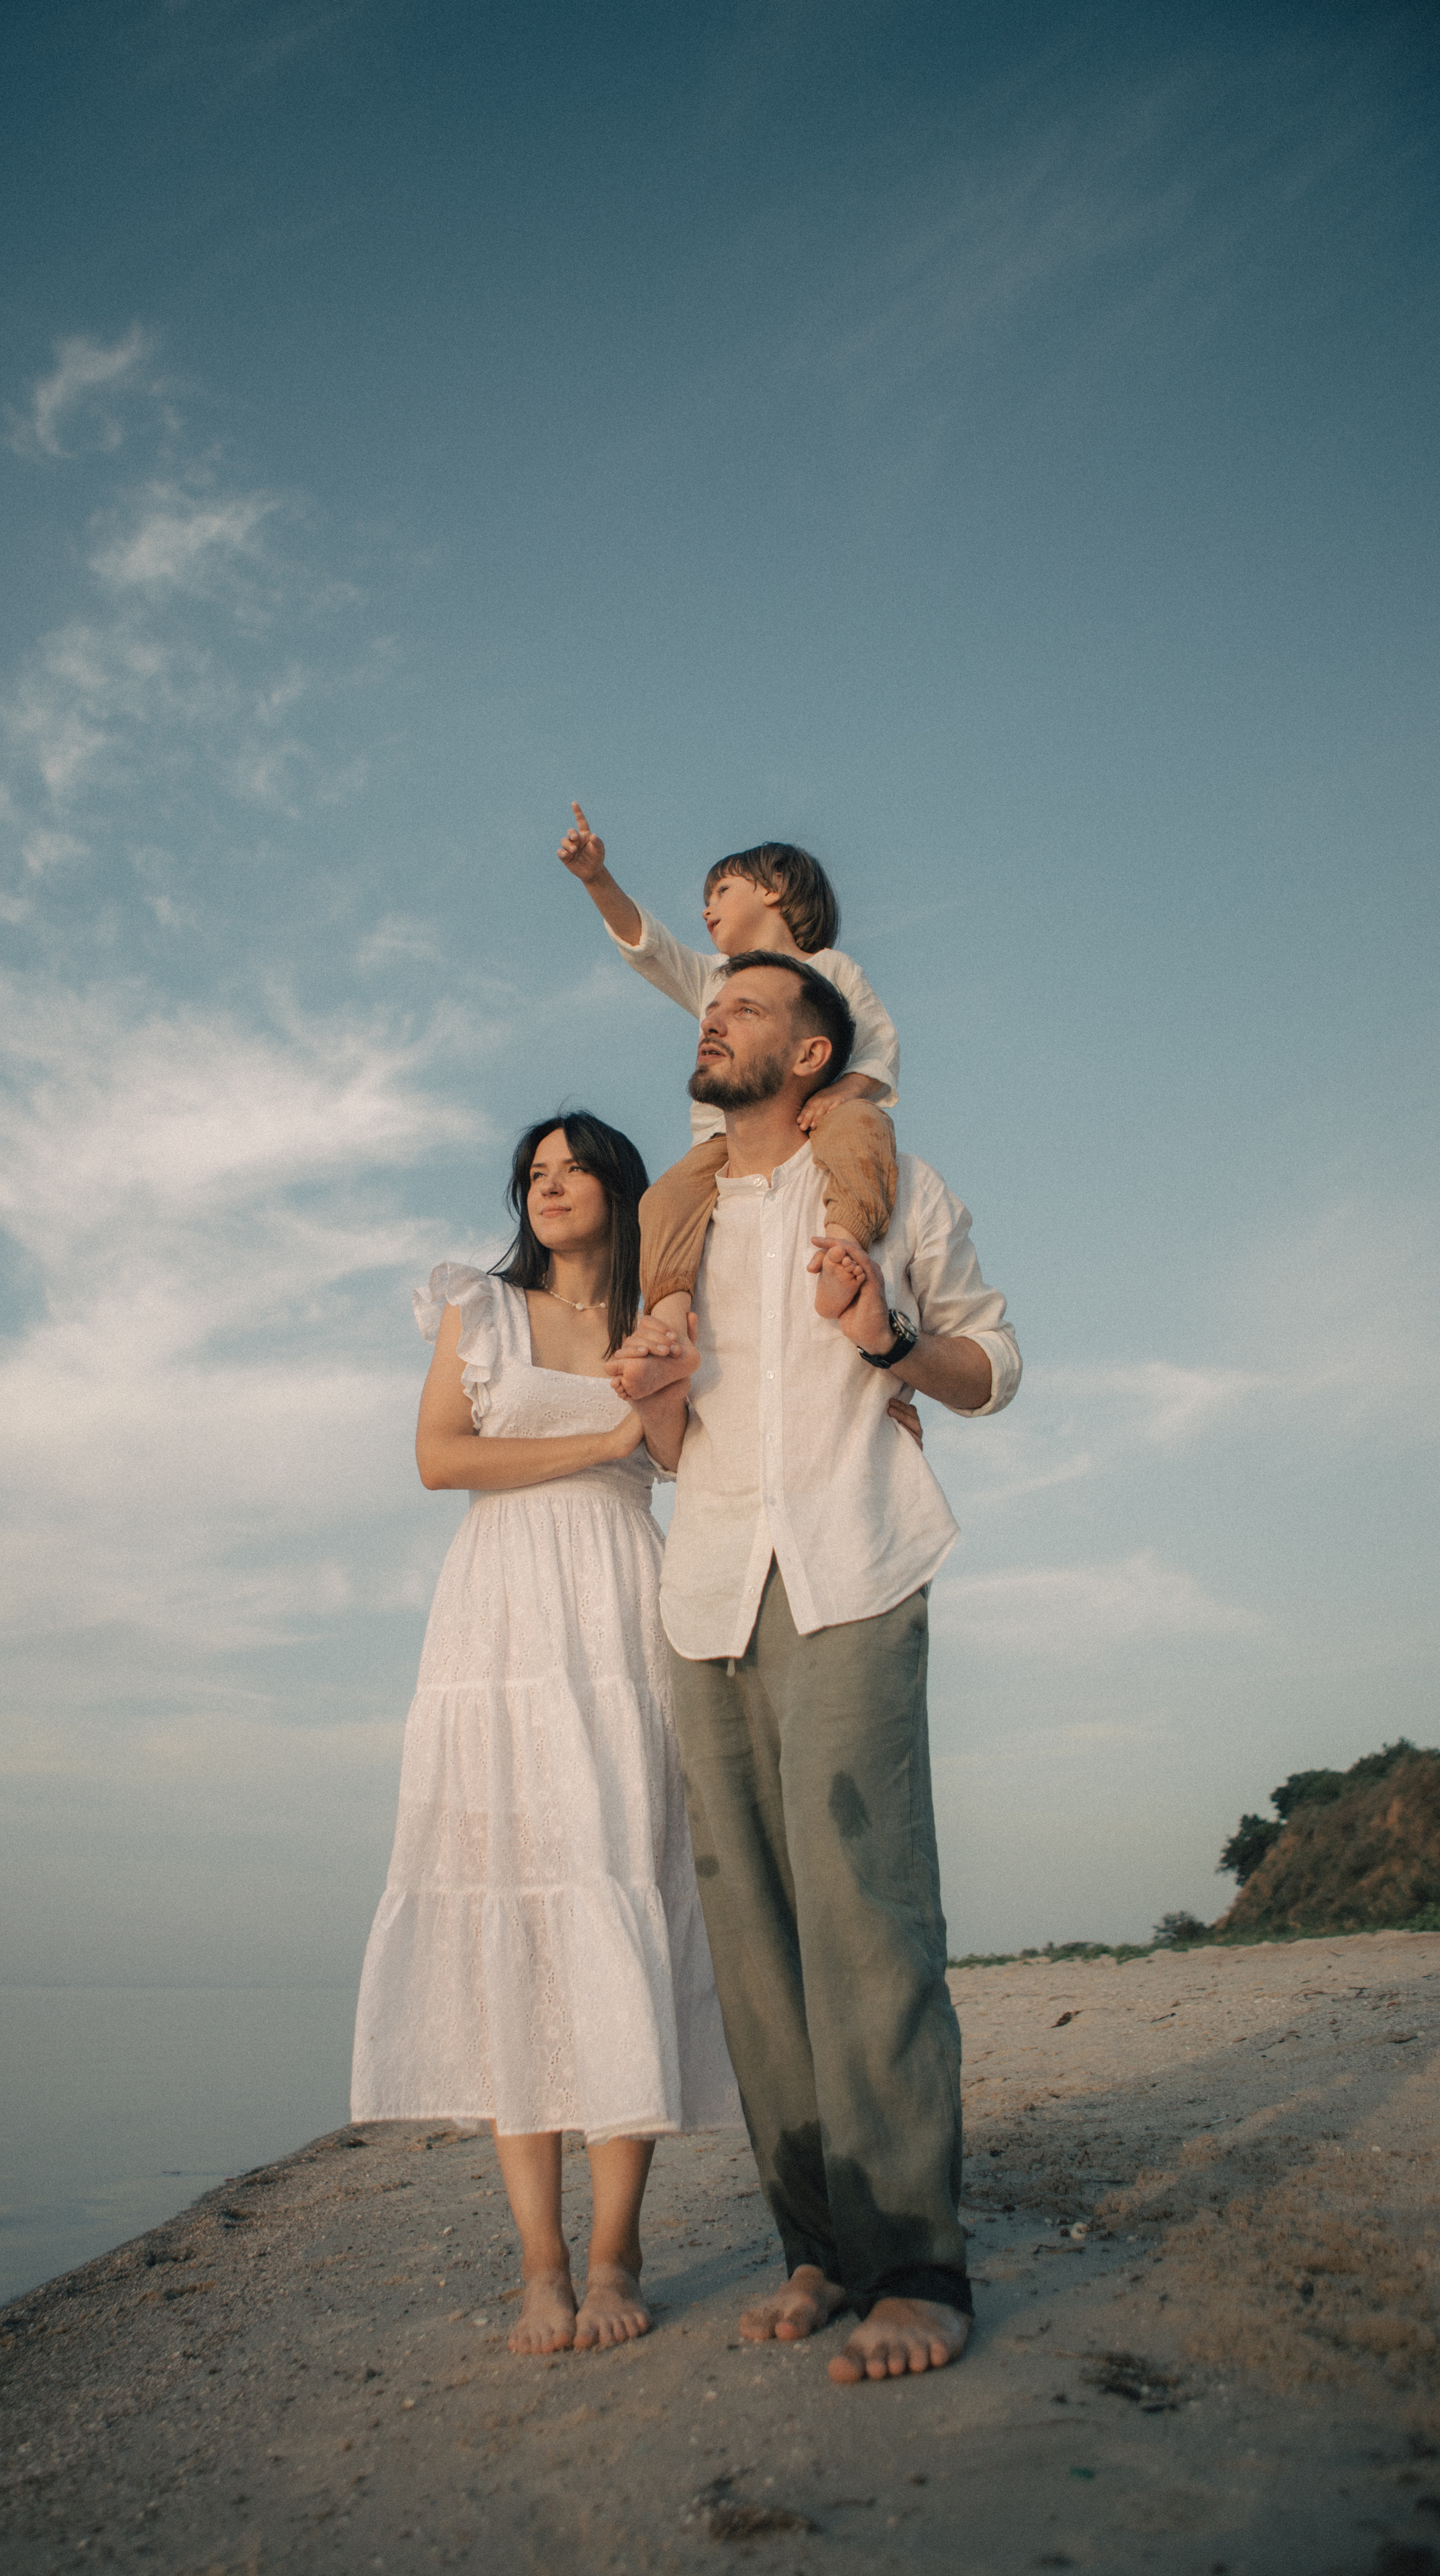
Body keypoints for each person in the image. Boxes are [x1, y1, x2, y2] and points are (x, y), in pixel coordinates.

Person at [611, 954, 1021, 2386]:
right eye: (706, 1001)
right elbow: (681, 1448)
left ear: (808, 1054)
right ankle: (816, 2248)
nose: (709, 1013)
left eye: (742, 1006)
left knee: (865, 1916)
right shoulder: (674, 1229)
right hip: (707, 1590)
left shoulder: (893, 1190)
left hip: (852, 1566)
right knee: (752, 1940)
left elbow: (996, 1361)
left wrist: (887, 1341)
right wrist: (656, 1406)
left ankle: (915, 2258)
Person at [350, 1112, 740, 2357]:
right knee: (517, 1905)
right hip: (501, 1618)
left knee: (623, 1887)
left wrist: (657, 1404)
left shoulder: (664, 1319)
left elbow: (686, 1456)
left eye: (574, 1169)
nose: (552, 1186)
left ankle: (620, 2250)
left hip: (624, 1602)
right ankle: (541, 2263)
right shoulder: (484, 1308)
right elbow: (436, 1458)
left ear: (619, 1190)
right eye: (536, 1173)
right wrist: (610, 1433)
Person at [558, 804, 900, 1340]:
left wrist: (845, 1093)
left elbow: (878, 1040)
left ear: (775, 887)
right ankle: (667, 1314)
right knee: (665, 1200)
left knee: (864, 1127)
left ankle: (842, 1248)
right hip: (722, 1140)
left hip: (814, 1121)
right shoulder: (715, 978)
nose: (706, 910)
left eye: (721, 892)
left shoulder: (832, 969)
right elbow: (651, 949)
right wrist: (597, 879)